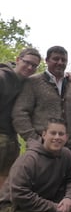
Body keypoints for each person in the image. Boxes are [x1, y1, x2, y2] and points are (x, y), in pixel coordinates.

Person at [12, 45, 71, 153]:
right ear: (46, 60)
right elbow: (20, 113)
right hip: (39, 148)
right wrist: (34, 140)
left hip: (70, 149)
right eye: (55, 59)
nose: (60, 62)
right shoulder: (32, 82)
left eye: (63, 60)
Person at [0, 48, 41, 191]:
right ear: (18, 60)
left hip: (12, 139)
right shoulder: (2, 78)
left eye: (34, 66)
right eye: (27, 62)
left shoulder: (25, 82)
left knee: (5, 182)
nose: (30, 67)